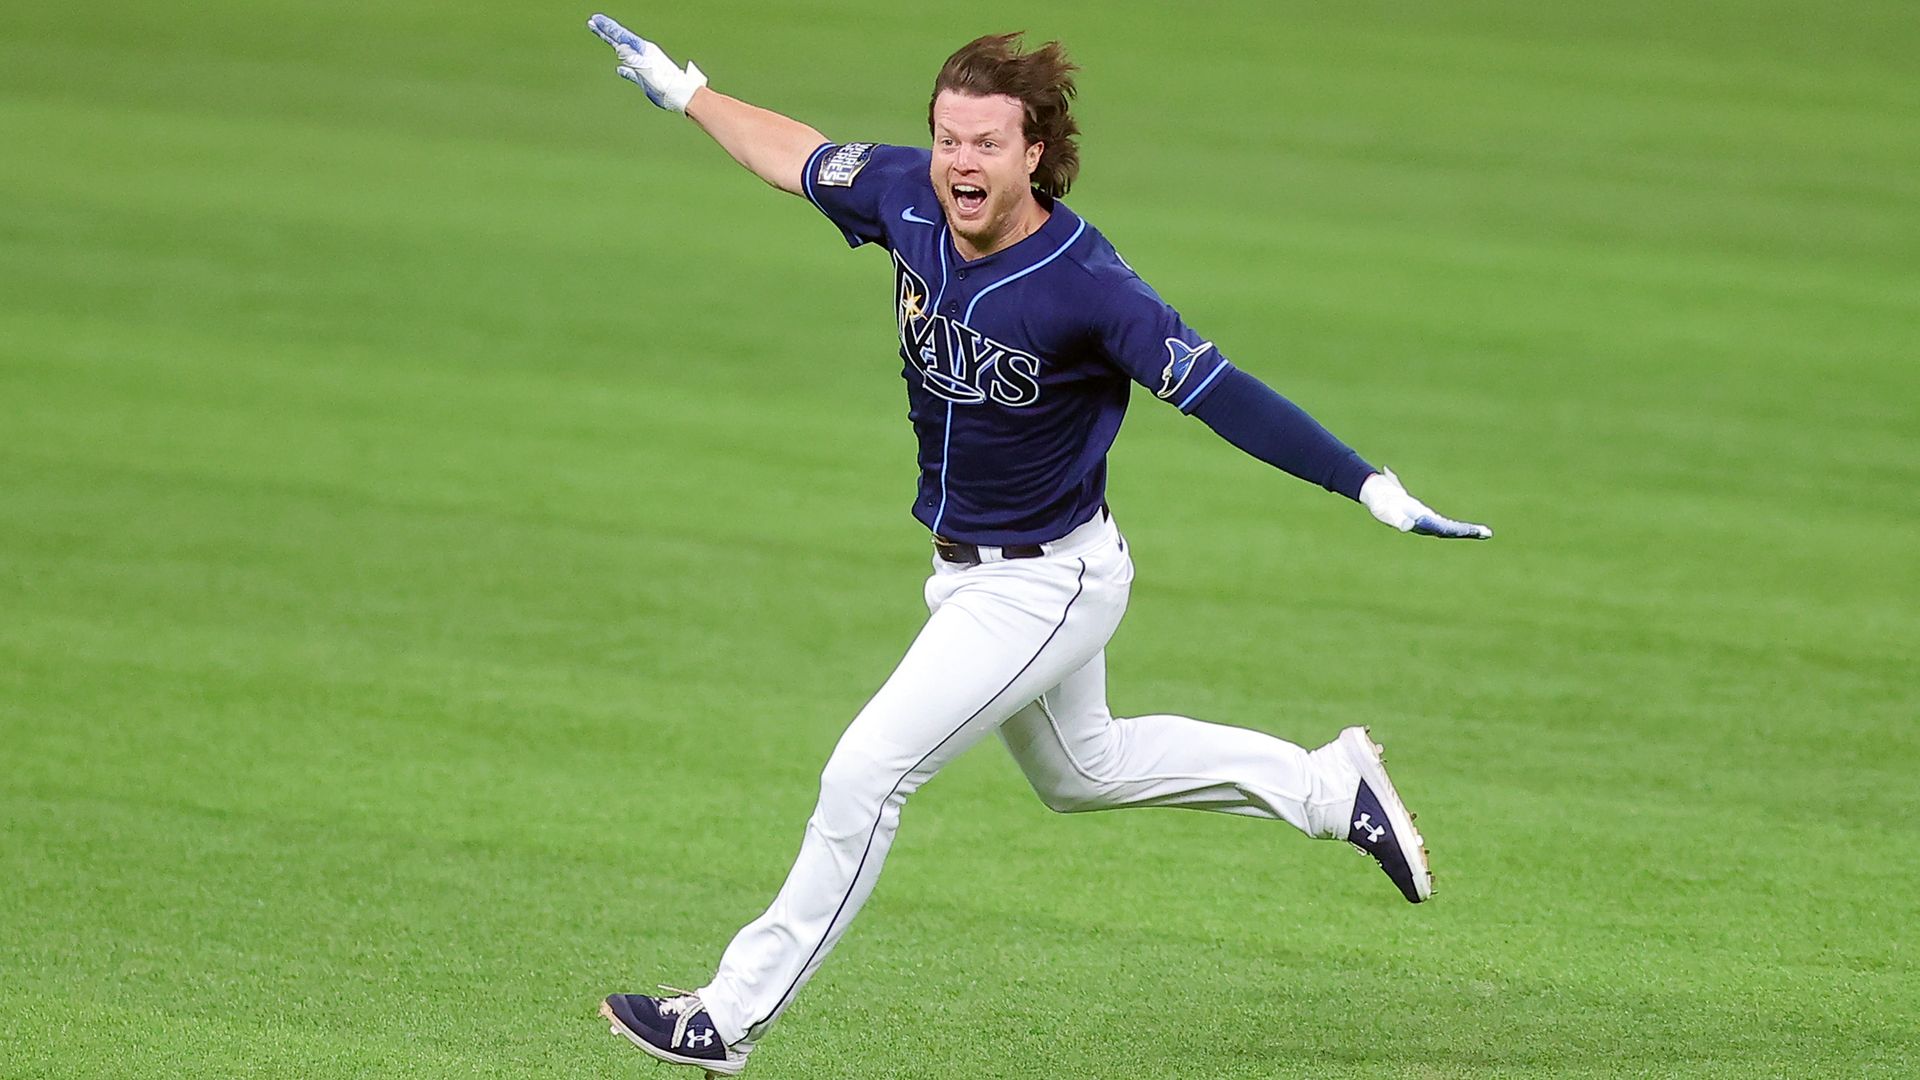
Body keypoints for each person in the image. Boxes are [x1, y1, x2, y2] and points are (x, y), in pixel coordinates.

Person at [584, 15, 1492, 1075]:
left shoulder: (1089, 284)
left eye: (984, 144)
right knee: (1083, 770)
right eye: (947, 138)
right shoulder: (905, 195)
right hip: (967, 572)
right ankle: (1327, 787)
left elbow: (1224, 394)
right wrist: (692, 92)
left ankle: (725, 1018)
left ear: (1033, 154)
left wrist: (1368, 485)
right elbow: (795, 153)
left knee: (864, 775)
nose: (959, 162)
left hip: (1046, 586)